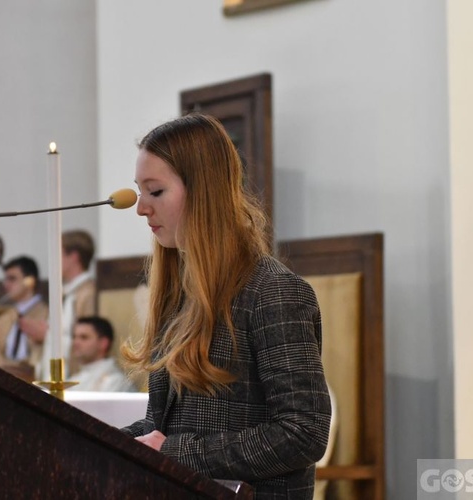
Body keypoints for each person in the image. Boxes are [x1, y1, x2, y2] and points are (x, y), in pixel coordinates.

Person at [121, 114, 331, 499]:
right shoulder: (178, 294)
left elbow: (303, 433)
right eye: (139, 191)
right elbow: (161, 424)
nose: (141, 209)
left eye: (155, 192)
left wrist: (172, 452)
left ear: (203, 192)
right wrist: (101, 441)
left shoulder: (273, 293)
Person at [30, 230, 97, 379]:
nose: (53, 261)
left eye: (58, 254)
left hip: (76, 377)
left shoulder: (88, 294)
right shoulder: (64, 292)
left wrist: (46, 335)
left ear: (73, 257)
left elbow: (87, 339)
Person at [0, 256, 48, 376]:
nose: (6, 284)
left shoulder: (49, 315)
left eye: (12, 279)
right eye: (5, 279)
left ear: (30, 281)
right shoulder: (3, 320)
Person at [68, 316, 136, 392]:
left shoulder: (116, 381)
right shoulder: (75, 379)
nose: (75, 342)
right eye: (74, 337)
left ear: (103, 343)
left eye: (84, 337)